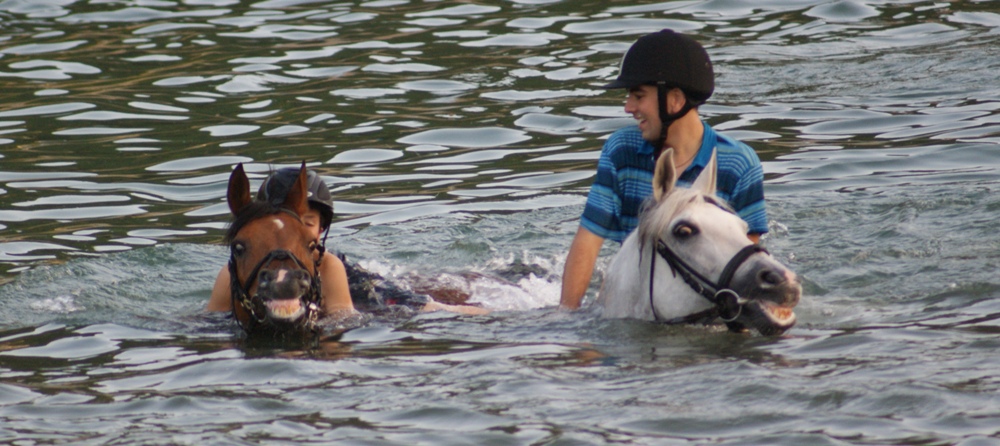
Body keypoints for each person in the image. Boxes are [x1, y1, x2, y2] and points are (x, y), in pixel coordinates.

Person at [560, 29, 768, 309]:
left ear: (675, 100)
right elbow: (588, 240)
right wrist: (569, 318)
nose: (628, 107)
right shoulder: (622, 151)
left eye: (638, 95)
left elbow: (744, 260)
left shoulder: (739, 163)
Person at [207, 167, 487, 317]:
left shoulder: (329, 266)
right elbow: (214, 320)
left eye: (307, 223)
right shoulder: (230, 273)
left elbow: (344, 319)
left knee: (420, 307)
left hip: (360, 290)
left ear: (321, 229)